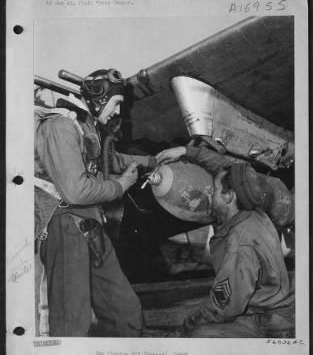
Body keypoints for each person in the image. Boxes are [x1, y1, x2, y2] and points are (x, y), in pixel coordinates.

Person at [35, 68, 156, 337]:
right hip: (65, 229)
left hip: (90, 228)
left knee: (125, 313)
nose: (117, 113)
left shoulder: (84, 126)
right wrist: (121, 185)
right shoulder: (60, 126)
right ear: (100, 97)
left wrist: (152, 161)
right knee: (72, 322)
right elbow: (75, 192)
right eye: (117, 104)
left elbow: (106, 160)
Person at [156, 145, 295, 338]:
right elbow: (231, 169)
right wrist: (186, 151)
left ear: (229, 196)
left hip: (267, 325)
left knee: (199, 335)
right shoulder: (254, 209)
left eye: (216, 189)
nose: (210, 193)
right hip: (265, 311)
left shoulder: (239, 244)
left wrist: (185, 328)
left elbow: (224, 306)